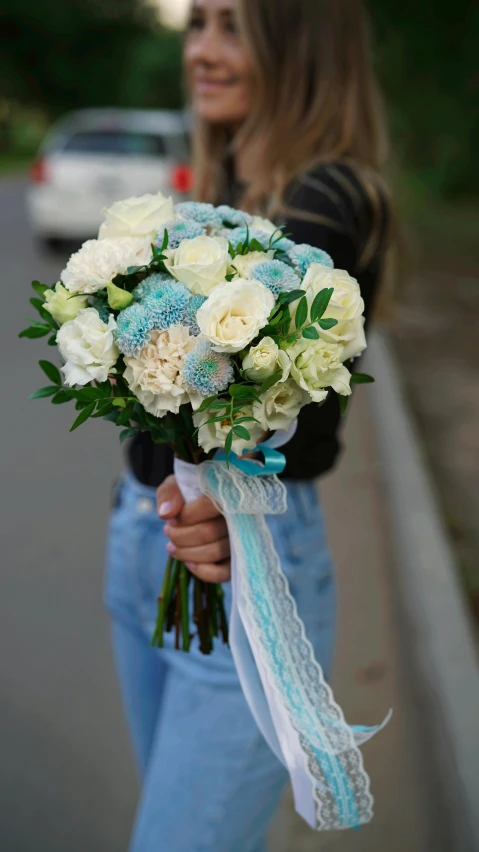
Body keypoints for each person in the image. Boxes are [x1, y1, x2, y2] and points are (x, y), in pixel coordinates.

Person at [104, 1, 390, 850]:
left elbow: (277, 392)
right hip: (142, 530)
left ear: (296, 43)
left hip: (243, 551)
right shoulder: (224, 181)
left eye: (233, 27)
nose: (202, 50)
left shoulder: (330, 193)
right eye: (197, 24)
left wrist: (227, 489)